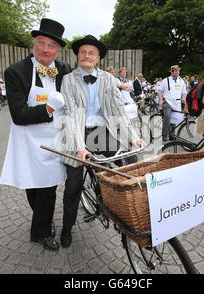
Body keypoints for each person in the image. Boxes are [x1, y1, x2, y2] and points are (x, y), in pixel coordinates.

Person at [60, 35, 146, 248]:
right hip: (76, 134)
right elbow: (70, 114)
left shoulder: (108, 80)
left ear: (98, 58)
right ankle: (67, 228)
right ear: (78, 56)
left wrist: (133, 137)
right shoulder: (69, 80)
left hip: (101, 133)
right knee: (73, 185)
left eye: (91, 53)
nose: (86, 55)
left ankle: (128, 210)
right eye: (83, 52)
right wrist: (79, 147)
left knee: (129, 165)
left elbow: (118, 111)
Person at [0, 18, 72, 251]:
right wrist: (49, 108)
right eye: (42, 43)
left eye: (52, 46)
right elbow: (18, 115)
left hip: (55, 139)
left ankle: (40, 231)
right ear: (34, 43)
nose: (46, 50)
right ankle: (42, 216)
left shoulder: (64, 70)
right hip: (28, 140)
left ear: (58, 49)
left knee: (48, 187)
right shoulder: (16, 72)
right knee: (33, 186)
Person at [157, 65, 188, 141]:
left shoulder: (181, 81)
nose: (177, 72)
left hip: (177, 102)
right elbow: (160, 91)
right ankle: (164, 135)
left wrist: (184, 99)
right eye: (176, 70)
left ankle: (172, 134)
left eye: (178, 71)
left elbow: (184, 92)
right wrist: (161, 100)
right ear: (172, 72)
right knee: (167, 116)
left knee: (175, 119)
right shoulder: (165, 80)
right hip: (167, 101)